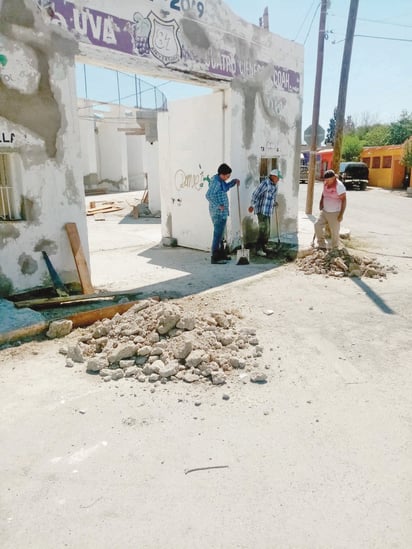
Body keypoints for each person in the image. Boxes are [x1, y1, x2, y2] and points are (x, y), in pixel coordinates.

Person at [206, 163, 240, 264]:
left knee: (221, 235)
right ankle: (215, 256)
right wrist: (218, 205)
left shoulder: (221, 181)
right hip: (218, 213)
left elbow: (226, 187)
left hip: (222, 213)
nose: (228, 178)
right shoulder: (216, 182)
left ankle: (221, 254)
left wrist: (234, 182)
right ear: (222, 174)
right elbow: (208, 195)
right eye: (227, 176)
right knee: (217, 234)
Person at [248, 168, 282, 257]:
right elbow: (255, 194)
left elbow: (271, 197)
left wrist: (274, 202)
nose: (278, 180)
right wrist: (252, 205)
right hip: (261, 210)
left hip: (268, 210)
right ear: (273, 176)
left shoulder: (274, 186)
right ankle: (258, 249)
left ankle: (263, 247)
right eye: (278, 178)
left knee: (267, 231)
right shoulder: (265, 184)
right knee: (263, 230)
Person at [314, 169, 346, 250]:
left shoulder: (339, 186)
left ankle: (335, 248)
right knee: (317, 225)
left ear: (334, 178)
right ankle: (321, 245)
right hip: (325, 210)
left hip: (335, 212)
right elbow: (323, 193)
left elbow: (344, 200)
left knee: (334, 231)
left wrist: (341, 215)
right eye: (325, 180)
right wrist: (321, 202)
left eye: (328, 180)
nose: (326, 182)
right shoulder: (325, 183)